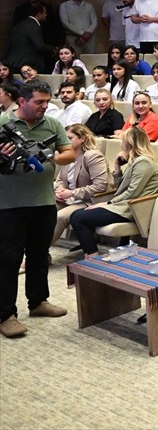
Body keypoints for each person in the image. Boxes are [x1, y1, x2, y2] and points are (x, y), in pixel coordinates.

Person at [0, 80, 74, 337]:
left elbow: (69, 153)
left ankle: (38, 301)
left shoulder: (52, 124)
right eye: (39, 102)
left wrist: (47, 155)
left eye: (46, 101)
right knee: (8, 260)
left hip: (43, 201)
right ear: (22, 101)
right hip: (8, 205)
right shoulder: (2, 123)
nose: (45, 106)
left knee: (39, 255)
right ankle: (6, 315)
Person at [70, 125, 158, 255]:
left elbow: (132, 192)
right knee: (78, 215)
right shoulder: (135, 161)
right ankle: (92, 255)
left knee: (78, 218)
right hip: (122, 205)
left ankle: (93, 257)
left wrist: (108, 203)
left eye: (123, 141)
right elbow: (120, 188)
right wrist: (117, 168)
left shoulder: (143, 162)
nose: (121, 144)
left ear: (129, 143)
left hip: (130, 208)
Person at [51, 124, 110, 245]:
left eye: (70, 138)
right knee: (43, 211)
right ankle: (36, 252)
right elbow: (60, 179)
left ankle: (39, 254)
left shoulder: (93, 156)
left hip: (89, 200)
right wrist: (60, 189)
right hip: (69, 198)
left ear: (82, 138)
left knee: (60, 217)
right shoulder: (68, 156)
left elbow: (100, 185)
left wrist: (72, 193)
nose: (66, 142)